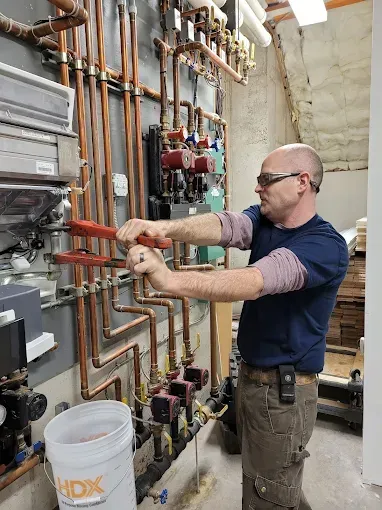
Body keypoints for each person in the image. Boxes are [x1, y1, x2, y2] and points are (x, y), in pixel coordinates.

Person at [117, 143, 349, 509]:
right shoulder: (265, 219)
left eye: (266, 179)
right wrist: (162, 227)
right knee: (270, 483)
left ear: (302, 182)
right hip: (255, 383)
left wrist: (170, 280)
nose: (258, 188)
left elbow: (257, 280)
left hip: (283, 396)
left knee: (268, 494)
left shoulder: (325, 245)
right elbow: (225, 225)